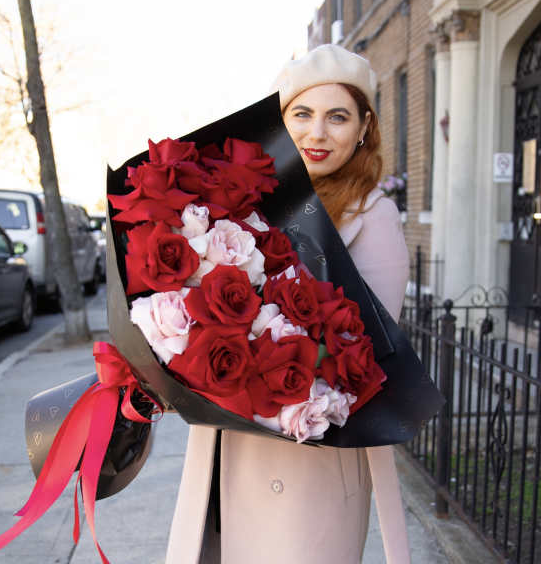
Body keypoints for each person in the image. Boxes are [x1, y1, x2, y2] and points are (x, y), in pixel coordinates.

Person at [165, 44, 411, 564]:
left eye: (337, 117)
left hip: (310, 462)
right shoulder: (246, 201)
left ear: (364, 128)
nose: (316, 133)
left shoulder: (373, 216)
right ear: (281, 121)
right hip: (228, 453)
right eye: (302, 114)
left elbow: (364, 355)